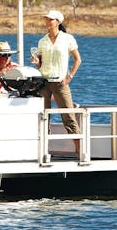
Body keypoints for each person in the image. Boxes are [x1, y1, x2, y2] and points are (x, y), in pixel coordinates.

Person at [32, 10, 82, 157]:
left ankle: (80, 151)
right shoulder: (42, 41)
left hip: (60, 82)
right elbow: (41, 65)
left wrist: (69, 77)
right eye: (46, 19)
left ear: (58, 22)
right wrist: (36, 63)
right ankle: (43, 152)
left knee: (69, 116)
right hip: (44, 83)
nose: (47, 21)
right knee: (43, 117)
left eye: (50, 19)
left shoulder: (68, 39)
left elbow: (78, 60)